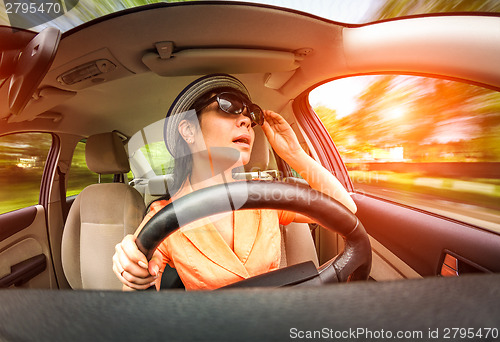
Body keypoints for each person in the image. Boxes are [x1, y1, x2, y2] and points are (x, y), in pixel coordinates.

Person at [112, 73, 356, 291]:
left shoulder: (266, 195)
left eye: (250, 113)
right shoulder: (163, 217)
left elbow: (346, 209)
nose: (247, 121)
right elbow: (138, 297)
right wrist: (133, 270)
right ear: (188, 131)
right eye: (229, 106)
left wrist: (294, 154)